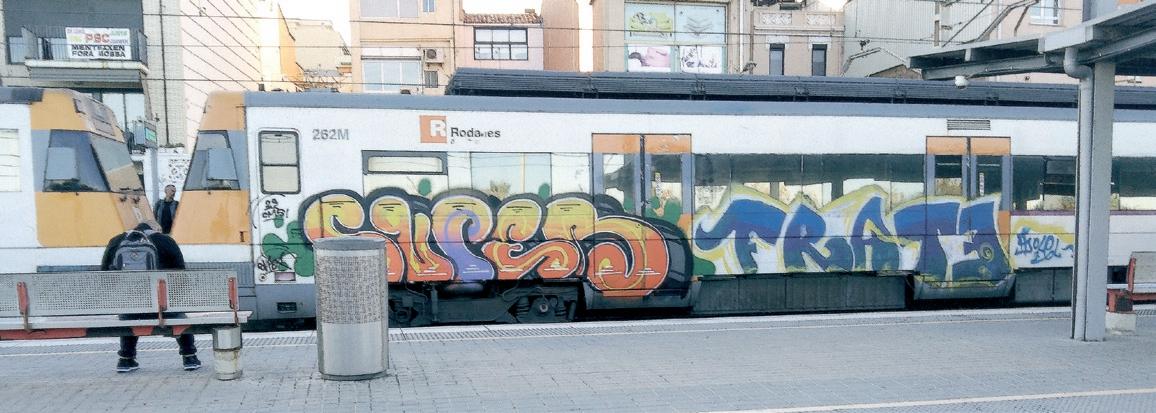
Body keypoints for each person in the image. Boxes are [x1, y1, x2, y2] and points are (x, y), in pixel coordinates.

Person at [101, 221, 201, 373]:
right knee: (178, 315)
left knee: (129, 311)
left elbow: (104, 275)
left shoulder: (116, 241)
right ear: (155, 229)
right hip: (163, 307)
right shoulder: (166, 241)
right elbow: (181, 274)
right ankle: (189, 357)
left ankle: (126, 359)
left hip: (131, 308)